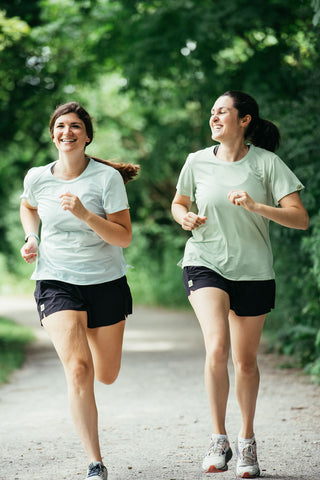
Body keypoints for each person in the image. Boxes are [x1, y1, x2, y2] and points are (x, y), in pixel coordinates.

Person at [171, 91, 309, 478]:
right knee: (217, 346)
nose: (214, 117)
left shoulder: (267, 164)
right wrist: (184, 218)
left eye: (222, 112)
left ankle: (247, 442)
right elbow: (179, 202)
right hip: (205, 262)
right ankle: (219, 438)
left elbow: (300, 219)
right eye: (212, 112)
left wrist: (256, 207)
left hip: (253, 270)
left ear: (244, 120)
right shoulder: (196, 161)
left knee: (245, 361)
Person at [20, 102, 139, 480]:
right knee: (78, 368)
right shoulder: (38, 177)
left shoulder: (106, 179)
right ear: (52, 133)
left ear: (87, 136)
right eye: (60, 126)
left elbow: (124, 237)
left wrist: (86, 214)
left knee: (106, 374)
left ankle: (88, 329)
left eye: (74, 126)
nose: (66, 132)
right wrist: (32, 236)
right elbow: (28, 205)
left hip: (105, 283)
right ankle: (95, 463)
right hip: (56, 281)